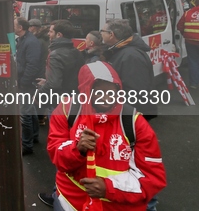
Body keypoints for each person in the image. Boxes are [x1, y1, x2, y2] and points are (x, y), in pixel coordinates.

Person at [47, 61, 167, 210]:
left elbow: (153, 179)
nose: (106, 98)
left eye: (111, 92)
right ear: (86, 91)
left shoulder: (133, 121)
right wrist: (77, 149)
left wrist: (108, 188)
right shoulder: (67, 109)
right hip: (69, 202)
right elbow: (55, 153)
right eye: (99, 92)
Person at [101, 19, 157, 119]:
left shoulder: (131, 57)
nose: (101, 33)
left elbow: (135, 92)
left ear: (111, 34)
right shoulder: (118, 51)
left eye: (103, 31)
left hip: (132, 114)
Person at [14, 17, 41, 155]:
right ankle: (34, 136)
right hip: (25, 81)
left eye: (14, 25)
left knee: (25, 114)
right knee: (31, 110)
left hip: (26, 83)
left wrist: (23, 82)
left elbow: (32, 65)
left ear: (20, 28)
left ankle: (26, 145)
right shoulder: (22, 39)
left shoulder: (30, 42)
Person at [177, 2, 199, 89]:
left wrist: (186, 35)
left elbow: (179, 26)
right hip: (191, 41)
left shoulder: (188, 13)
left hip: (190, 42)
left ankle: (194, 83)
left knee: (193, 62)